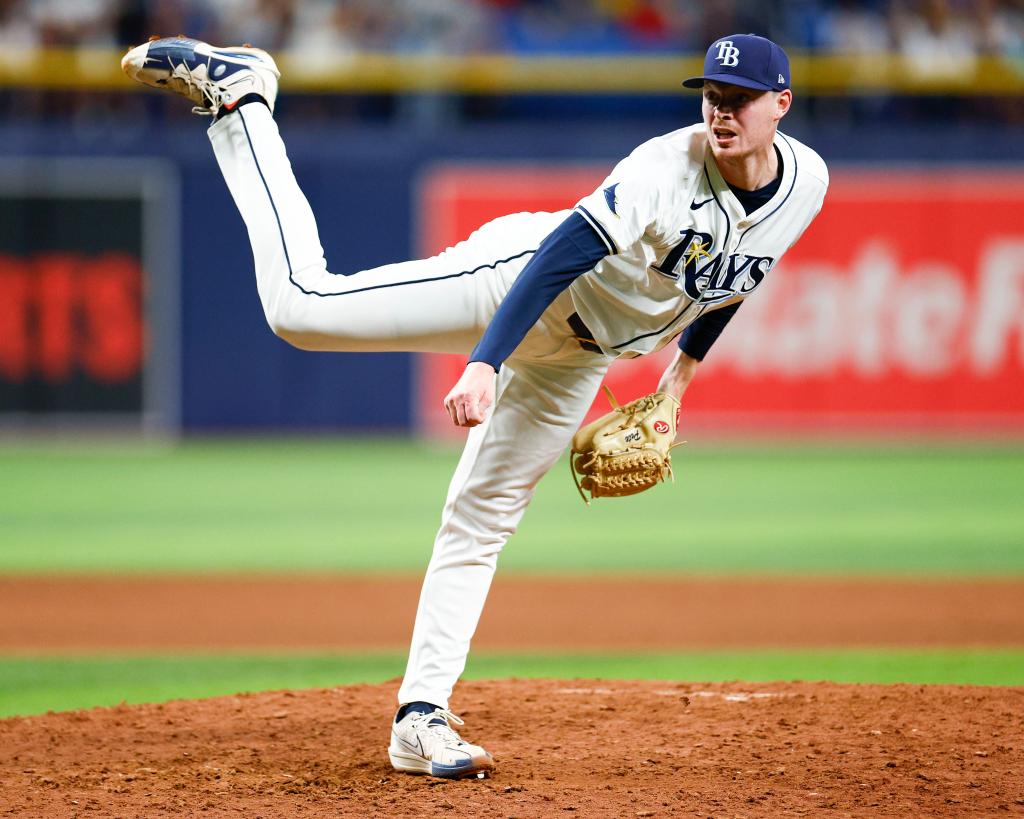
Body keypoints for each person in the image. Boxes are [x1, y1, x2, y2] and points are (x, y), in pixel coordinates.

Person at [122, 32, 827, 780]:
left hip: (581, 360)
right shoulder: (665, 167)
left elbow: (738, 276)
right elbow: (563, 251)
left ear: (780, 104)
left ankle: (418, 716)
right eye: (714, 97)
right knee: (301, 307)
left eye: (740, 100)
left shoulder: (805, 184)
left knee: (484, 516)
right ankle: (241, 101)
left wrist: (679, 378)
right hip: (520, 281)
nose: (722, 112)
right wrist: (486, 360)